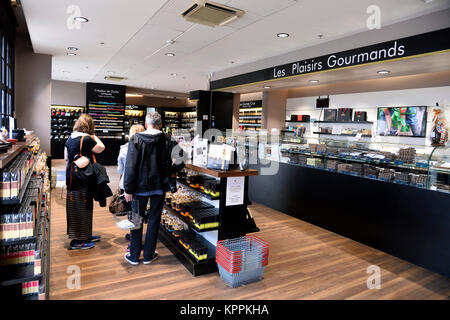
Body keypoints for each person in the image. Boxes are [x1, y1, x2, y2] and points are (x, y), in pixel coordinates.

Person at [123, 112, 178, 265]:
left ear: (146, 124)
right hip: (159, 188)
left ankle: (134, 256)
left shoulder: (135, 139)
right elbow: (181, 160)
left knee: (136, 220)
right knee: (154, 221)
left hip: (139, 189)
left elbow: (130, 166)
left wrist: (128, 189)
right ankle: (148, 255)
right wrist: (170, 173)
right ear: (161, 125)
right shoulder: (168, 140)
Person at [64, 114, 105, 250]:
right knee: (83, 206)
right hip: (84, 178)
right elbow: (101, 148)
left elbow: (66, 158)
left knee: (78, 206)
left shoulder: (70, 138)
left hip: (72, 177)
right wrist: (93, 135)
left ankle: (85, 235)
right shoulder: (86, 138)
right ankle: (77, 241)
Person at [117, 124, 145, 249]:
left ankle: (132, 236)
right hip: (140, 185)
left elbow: (120, 169)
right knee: (137, 213)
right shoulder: (145, 148)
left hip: (126, 183)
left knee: (131, 211)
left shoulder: (124, 148)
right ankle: (134, 241)